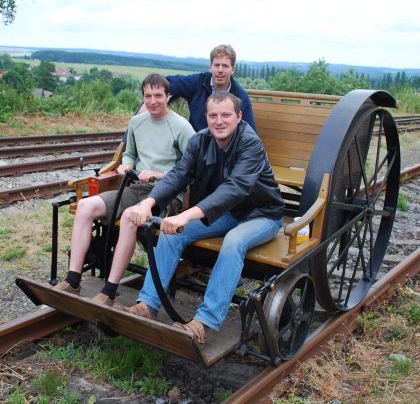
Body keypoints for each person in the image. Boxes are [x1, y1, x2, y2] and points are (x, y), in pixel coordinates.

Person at [94, 91, 284, 346]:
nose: (219, 121)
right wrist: (149, 202)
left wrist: (186, 214)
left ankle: (203, 323)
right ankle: (147, 305)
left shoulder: (251, 144)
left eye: (226, 115)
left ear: (239, 117)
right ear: (205, 117)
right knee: (171, 236)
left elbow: (235, 188)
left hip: (260, 214)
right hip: (225, 213)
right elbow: (177, 176)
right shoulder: (200, 141)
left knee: (233, 243)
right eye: (213, 115)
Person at [55, 73, 195, 296]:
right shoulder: (136, 123)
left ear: (168, 96)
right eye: (147, 96)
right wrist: (126, 165)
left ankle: (109, 291)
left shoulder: (182, 127)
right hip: (136, 187)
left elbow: (191, 170)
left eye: (158, 95)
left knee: (130, 216)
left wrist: (158, 175)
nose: (152, 101)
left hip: (167, 193)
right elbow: (129, 154)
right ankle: (73, 279)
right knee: (85, 207)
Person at [157, 44, 256, 132]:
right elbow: (167, 83)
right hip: (196, 147)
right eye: (217, 65)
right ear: (210, 67)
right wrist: (150, 103)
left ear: (233, 69)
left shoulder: (241, 96)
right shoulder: (198, 83)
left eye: (225, 66)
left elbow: (250, 134)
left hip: (226, 149)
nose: (220, 70)